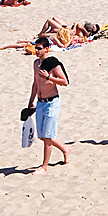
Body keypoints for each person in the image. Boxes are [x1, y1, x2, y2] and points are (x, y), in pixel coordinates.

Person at [28, 37, 70, 171]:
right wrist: (30, 101)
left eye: (39, 48)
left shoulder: (53, 63)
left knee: (47, 137)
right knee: (42, 135)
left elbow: (64, 81)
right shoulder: (36, 64)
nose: (36, 50)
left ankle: (44, 166)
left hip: (52, 102)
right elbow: (35, 83)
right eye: (36, 48)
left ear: (46, 49)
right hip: (40, 102)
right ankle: (65, 149)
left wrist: (49, 77)